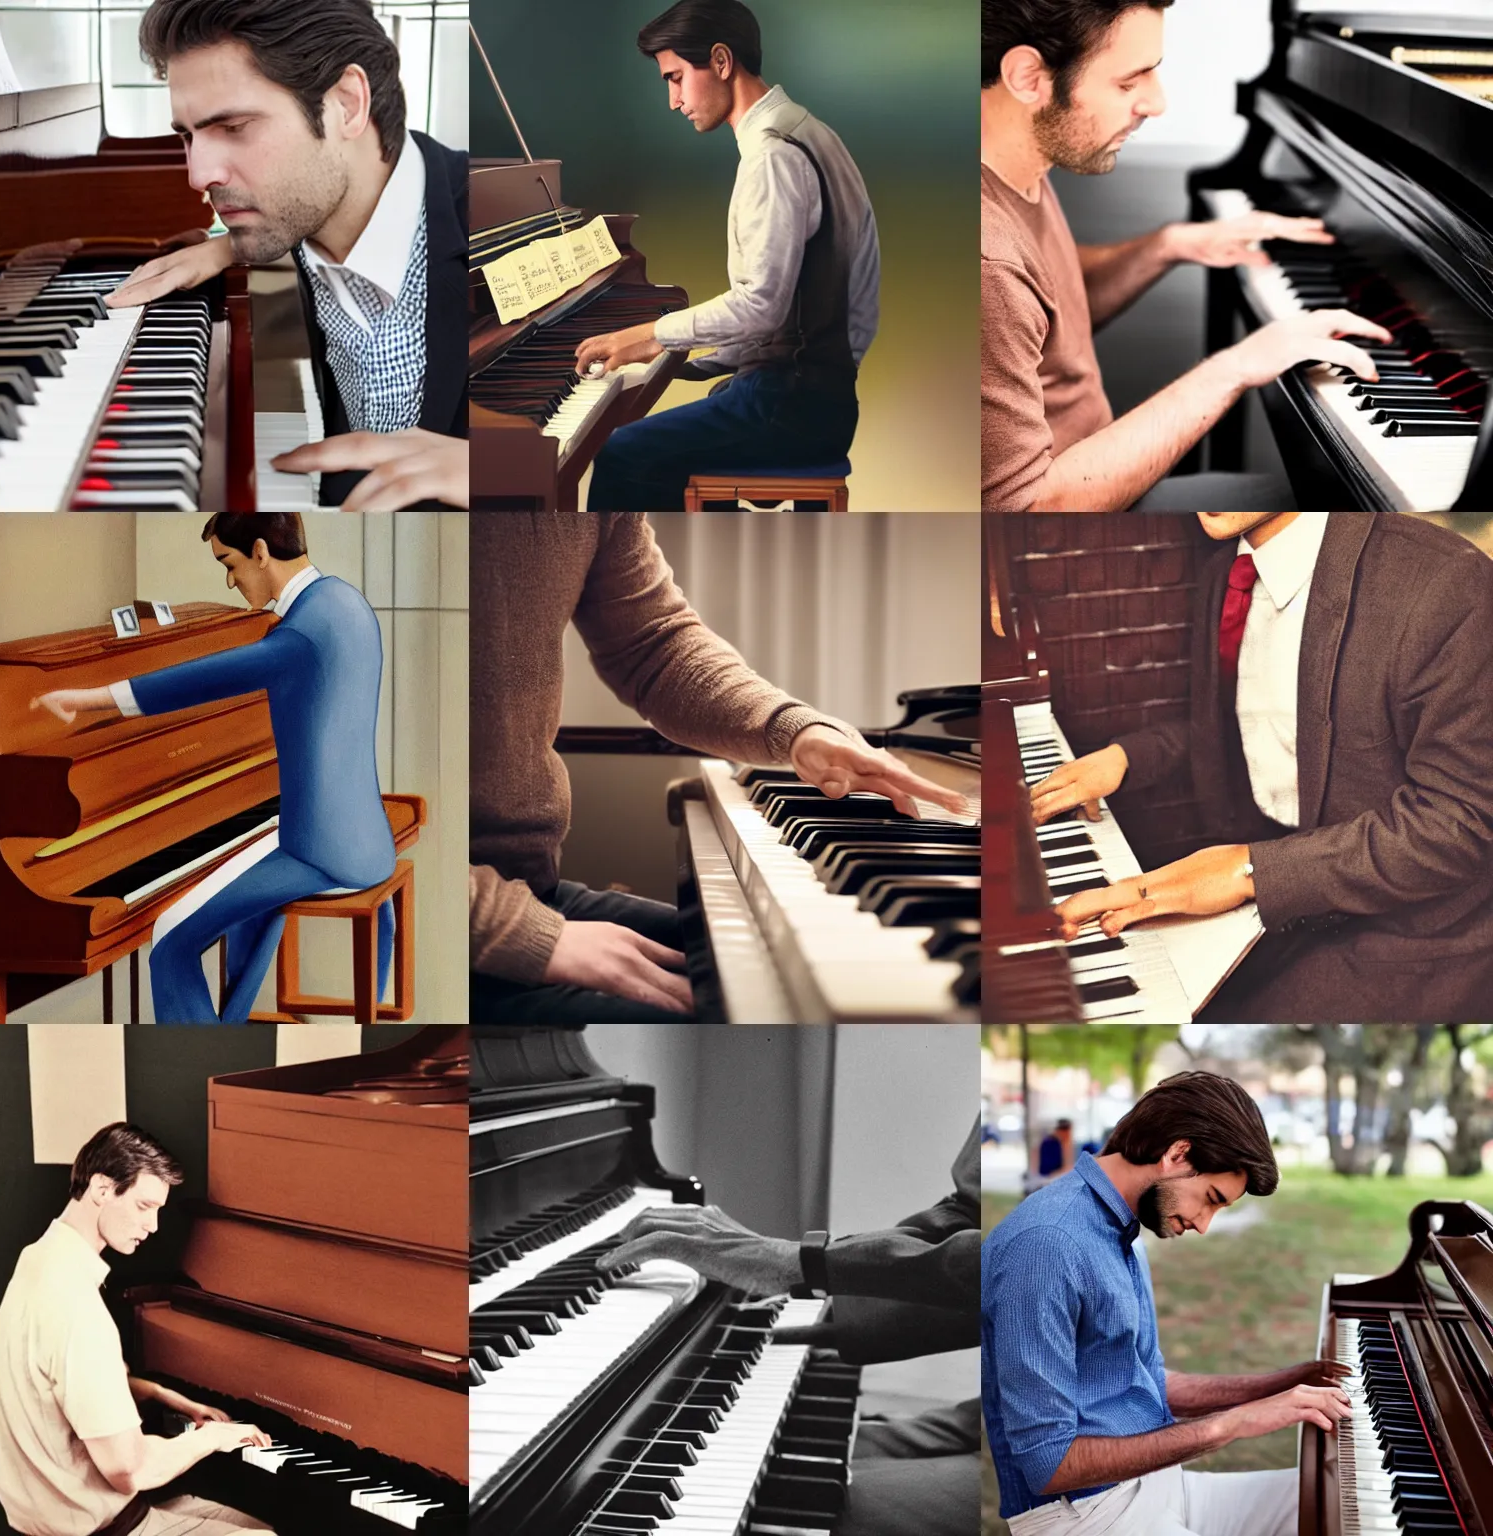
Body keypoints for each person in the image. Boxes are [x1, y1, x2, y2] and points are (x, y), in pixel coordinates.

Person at [469, 512, 968, 1023]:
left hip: (530, 888)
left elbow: (654, 646)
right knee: (752, 1025)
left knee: (825, 978)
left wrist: (795, 729)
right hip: (423, 924)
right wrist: (516, 933)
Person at [1032, 511, 1493, 1022]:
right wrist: (1126, 758)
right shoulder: (1225, 567)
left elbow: (1461, 821)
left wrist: (1247, 871)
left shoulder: (1445, 582)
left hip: (1412, 934)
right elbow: (1254, 720)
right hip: (1286, 904)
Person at [981, 0, 1393, 512]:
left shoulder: (1011, 163)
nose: (1157, 103)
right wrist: (1238, 365)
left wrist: (1172, 244)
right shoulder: (985, 261)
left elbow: (1045, 307)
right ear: (1027, 77)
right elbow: (1026, 515)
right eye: (1129, 82)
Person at [31, 513, 398, 1025]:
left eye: (230, 562)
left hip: (319, 851)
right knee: (244, 902)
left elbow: (200, 681)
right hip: (369, 840)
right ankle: (231, 1026)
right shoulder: (345, 601)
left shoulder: (300, 635)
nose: (229, 580)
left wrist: (89, 699)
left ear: (262, 552)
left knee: (169, 939)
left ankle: (207, 1053)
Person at [106, 0, 467, 511]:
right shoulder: (294, 218)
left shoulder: (484, 222)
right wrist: (229, 245)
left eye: (234, 128)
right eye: (188, 136)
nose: (197, 175)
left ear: (346, 103)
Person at [983, 1072, 1350, 1536]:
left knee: (1334, 1506)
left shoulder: (1120, 1228)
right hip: (1084, 1517)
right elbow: (1048, 1463)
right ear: (1177, 1155)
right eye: (1211, 1200)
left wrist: (1284, 1383)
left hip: (1157, 1488)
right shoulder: (1047, 1245)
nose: (1204, 1225)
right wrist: (1229, 1426)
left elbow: (1148, 1380)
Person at [599, 1113, 980, 1536]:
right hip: (1001, 1408)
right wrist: (835, 1304)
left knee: (806, 1510)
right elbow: (968, 1215)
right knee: (792, 1455)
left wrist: (803, 1263)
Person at [577, 0, 879, 511]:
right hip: (816, 398)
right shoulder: (810, 131)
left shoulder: (772, 157)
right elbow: (829, 314)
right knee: (690, 432)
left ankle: (629, 588)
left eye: (675, 78)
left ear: (721, 62)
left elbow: (760, 304)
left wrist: (646, 338)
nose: (673, 100)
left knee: (623, 454)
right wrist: (686, 364)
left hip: (792, 405)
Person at [0, 1123, 275, 1536]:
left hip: (70, 1514)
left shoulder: (38, 1263)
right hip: (100, 1528)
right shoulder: (76, 1305)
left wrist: (161, 1394)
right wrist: (212, 1438)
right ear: (103, 1189)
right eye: (144, 1206)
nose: (154, 1226)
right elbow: (130, 1469)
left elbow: (60, 1381)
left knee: (251, 1524)